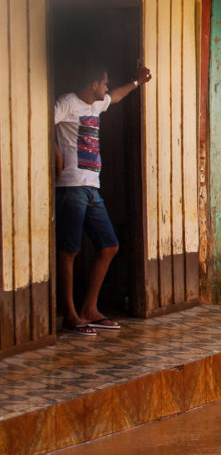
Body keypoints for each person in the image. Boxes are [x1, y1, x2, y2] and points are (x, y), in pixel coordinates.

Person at [54, 64, 151, 336]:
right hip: (71, 186)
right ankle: (70, 315)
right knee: (69, 251)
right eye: (104, 83)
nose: (106, 88)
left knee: (109, 246)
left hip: (91, 188)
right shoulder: (67, 103)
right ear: (92, 84)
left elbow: (116, 96)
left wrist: (136, 82)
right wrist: (55, 152)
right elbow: (40, 121)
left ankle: (89, 309)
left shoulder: (95, 106)